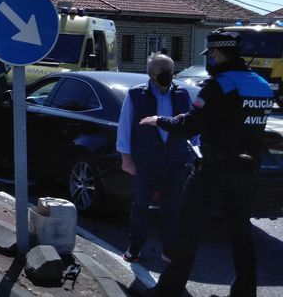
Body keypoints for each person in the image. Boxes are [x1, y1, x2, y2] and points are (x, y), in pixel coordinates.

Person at [142, 32, 274, 297]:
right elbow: (235, 121)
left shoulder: (219, 85)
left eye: (210, 55)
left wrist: (159, 119)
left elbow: (190, 126)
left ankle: (169, 290)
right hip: (247, 171)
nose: (210, 60)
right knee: (241, 233)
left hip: (214, 171)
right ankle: (245, 291)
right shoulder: (262, 84)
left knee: (187, 230)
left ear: (216, 53)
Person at [116, 53, 197, 263]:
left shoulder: (182, 94)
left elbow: (192, 126)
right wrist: (126, 157)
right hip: (146, 159)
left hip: (176, 159)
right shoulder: (136, 95)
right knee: (140, 205)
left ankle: (169, 249)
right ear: (151, 73)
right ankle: (135, 247)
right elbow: (125, 128)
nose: (166, 75)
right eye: (161, 71)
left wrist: (196, 153)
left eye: (168, 70)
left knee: (172, 207)